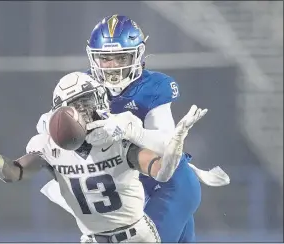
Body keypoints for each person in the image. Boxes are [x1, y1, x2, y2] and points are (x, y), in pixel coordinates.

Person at [0, 72, 208, 243]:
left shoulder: (116, 136)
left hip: (138, 236)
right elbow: (13, 172)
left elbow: (163, 172)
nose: (92, 109)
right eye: (83, 105)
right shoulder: (48, 146)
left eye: (91, 101)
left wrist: (175, 142)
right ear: (65, 112)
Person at [83, 15, 230, 242]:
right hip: (130, 191)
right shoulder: (82, 88)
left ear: (138, 56)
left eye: (121, 58)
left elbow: (164, 145)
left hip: (169, 185)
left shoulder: (153, 87)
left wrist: (130, 129)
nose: (112, 66)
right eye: (105, 58)